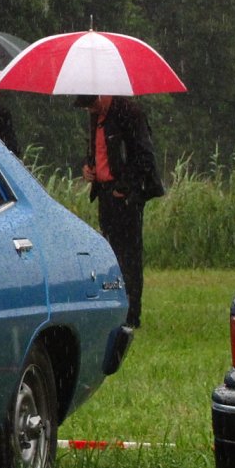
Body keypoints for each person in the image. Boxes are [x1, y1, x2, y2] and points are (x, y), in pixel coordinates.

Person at [76, 94, 164, 329]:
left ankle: (132, 316)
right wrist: (89, 168)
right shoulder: (95, 115)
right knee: (110, 255)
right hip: (105, 194)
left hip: (125, 197)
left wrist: (125, 188)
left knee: (130, 257)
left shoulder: (130, 112)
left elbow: (144, 157)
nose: (90, 110)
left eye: (91, 104)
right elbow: (95, 149)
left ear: (102, 96)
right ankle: (115, 310)